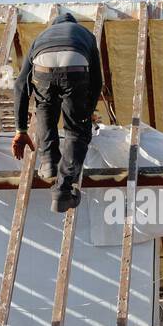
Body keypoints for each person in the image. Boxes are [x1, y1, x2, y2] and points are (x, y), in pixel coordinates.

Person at [10, 12, 102, 213]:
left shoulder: (41, 36)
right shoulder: (86, 34)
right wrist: (87, 111)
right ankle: (63, 190)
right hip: (76, 65)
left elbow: (20, 85)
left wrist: (20, 130)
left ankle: (49, 163)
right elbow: (97, 82)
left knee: (44, 106)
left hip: (43, 67)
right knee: (76, 131)